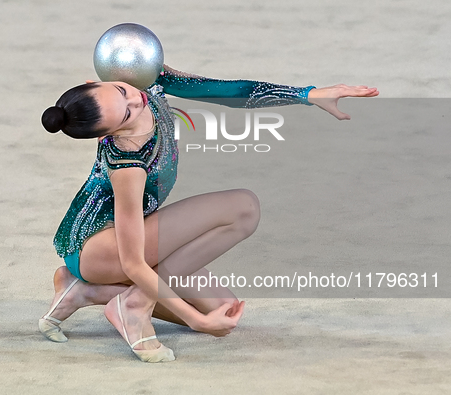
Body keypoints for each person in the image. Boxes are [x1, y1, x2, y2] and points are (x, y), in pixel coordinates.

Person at [39, 65, 379, 362]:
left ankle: (87, 291)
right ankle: (132, 305)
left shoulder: (146, 81)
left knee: (222, 312)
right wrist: (195, 320)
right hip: (98, 248)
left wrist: (308, 94)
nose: (135, 100)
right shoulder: (127, 165)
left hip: (126, 242)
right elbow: (132, 264)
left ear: (97, 80)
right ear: (107, 133)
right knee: (242, 208)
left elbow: (227, 90)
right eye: (126, 113)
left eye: (122, 91)